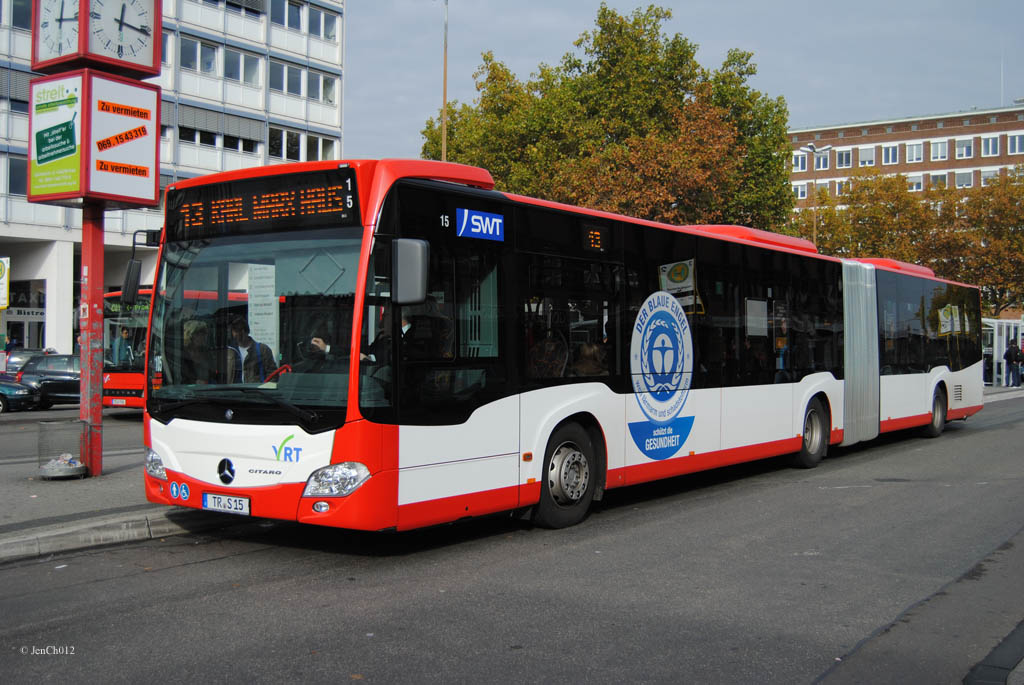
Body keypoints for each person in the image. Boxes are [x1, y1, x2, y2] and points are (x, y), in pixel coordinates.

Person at [226, 315, 277, 383]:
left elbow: (273, 374)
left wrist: (265, 389)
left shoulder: (263, 350)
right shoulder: (230, 351)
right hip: (234, 391)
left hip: (255, 391)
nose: (234, 335)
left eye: (237, 332)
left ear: (244, 332)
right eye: (234, 332)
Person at [181, 320, 212, 384]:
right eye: (198, 334)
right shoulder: (182, 354)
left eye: (204, 334)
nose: (203, 337)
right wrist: (195, 382)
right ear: (189, 335)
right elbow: (180, 378)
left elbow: (212, 374)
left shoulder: (207, 353)